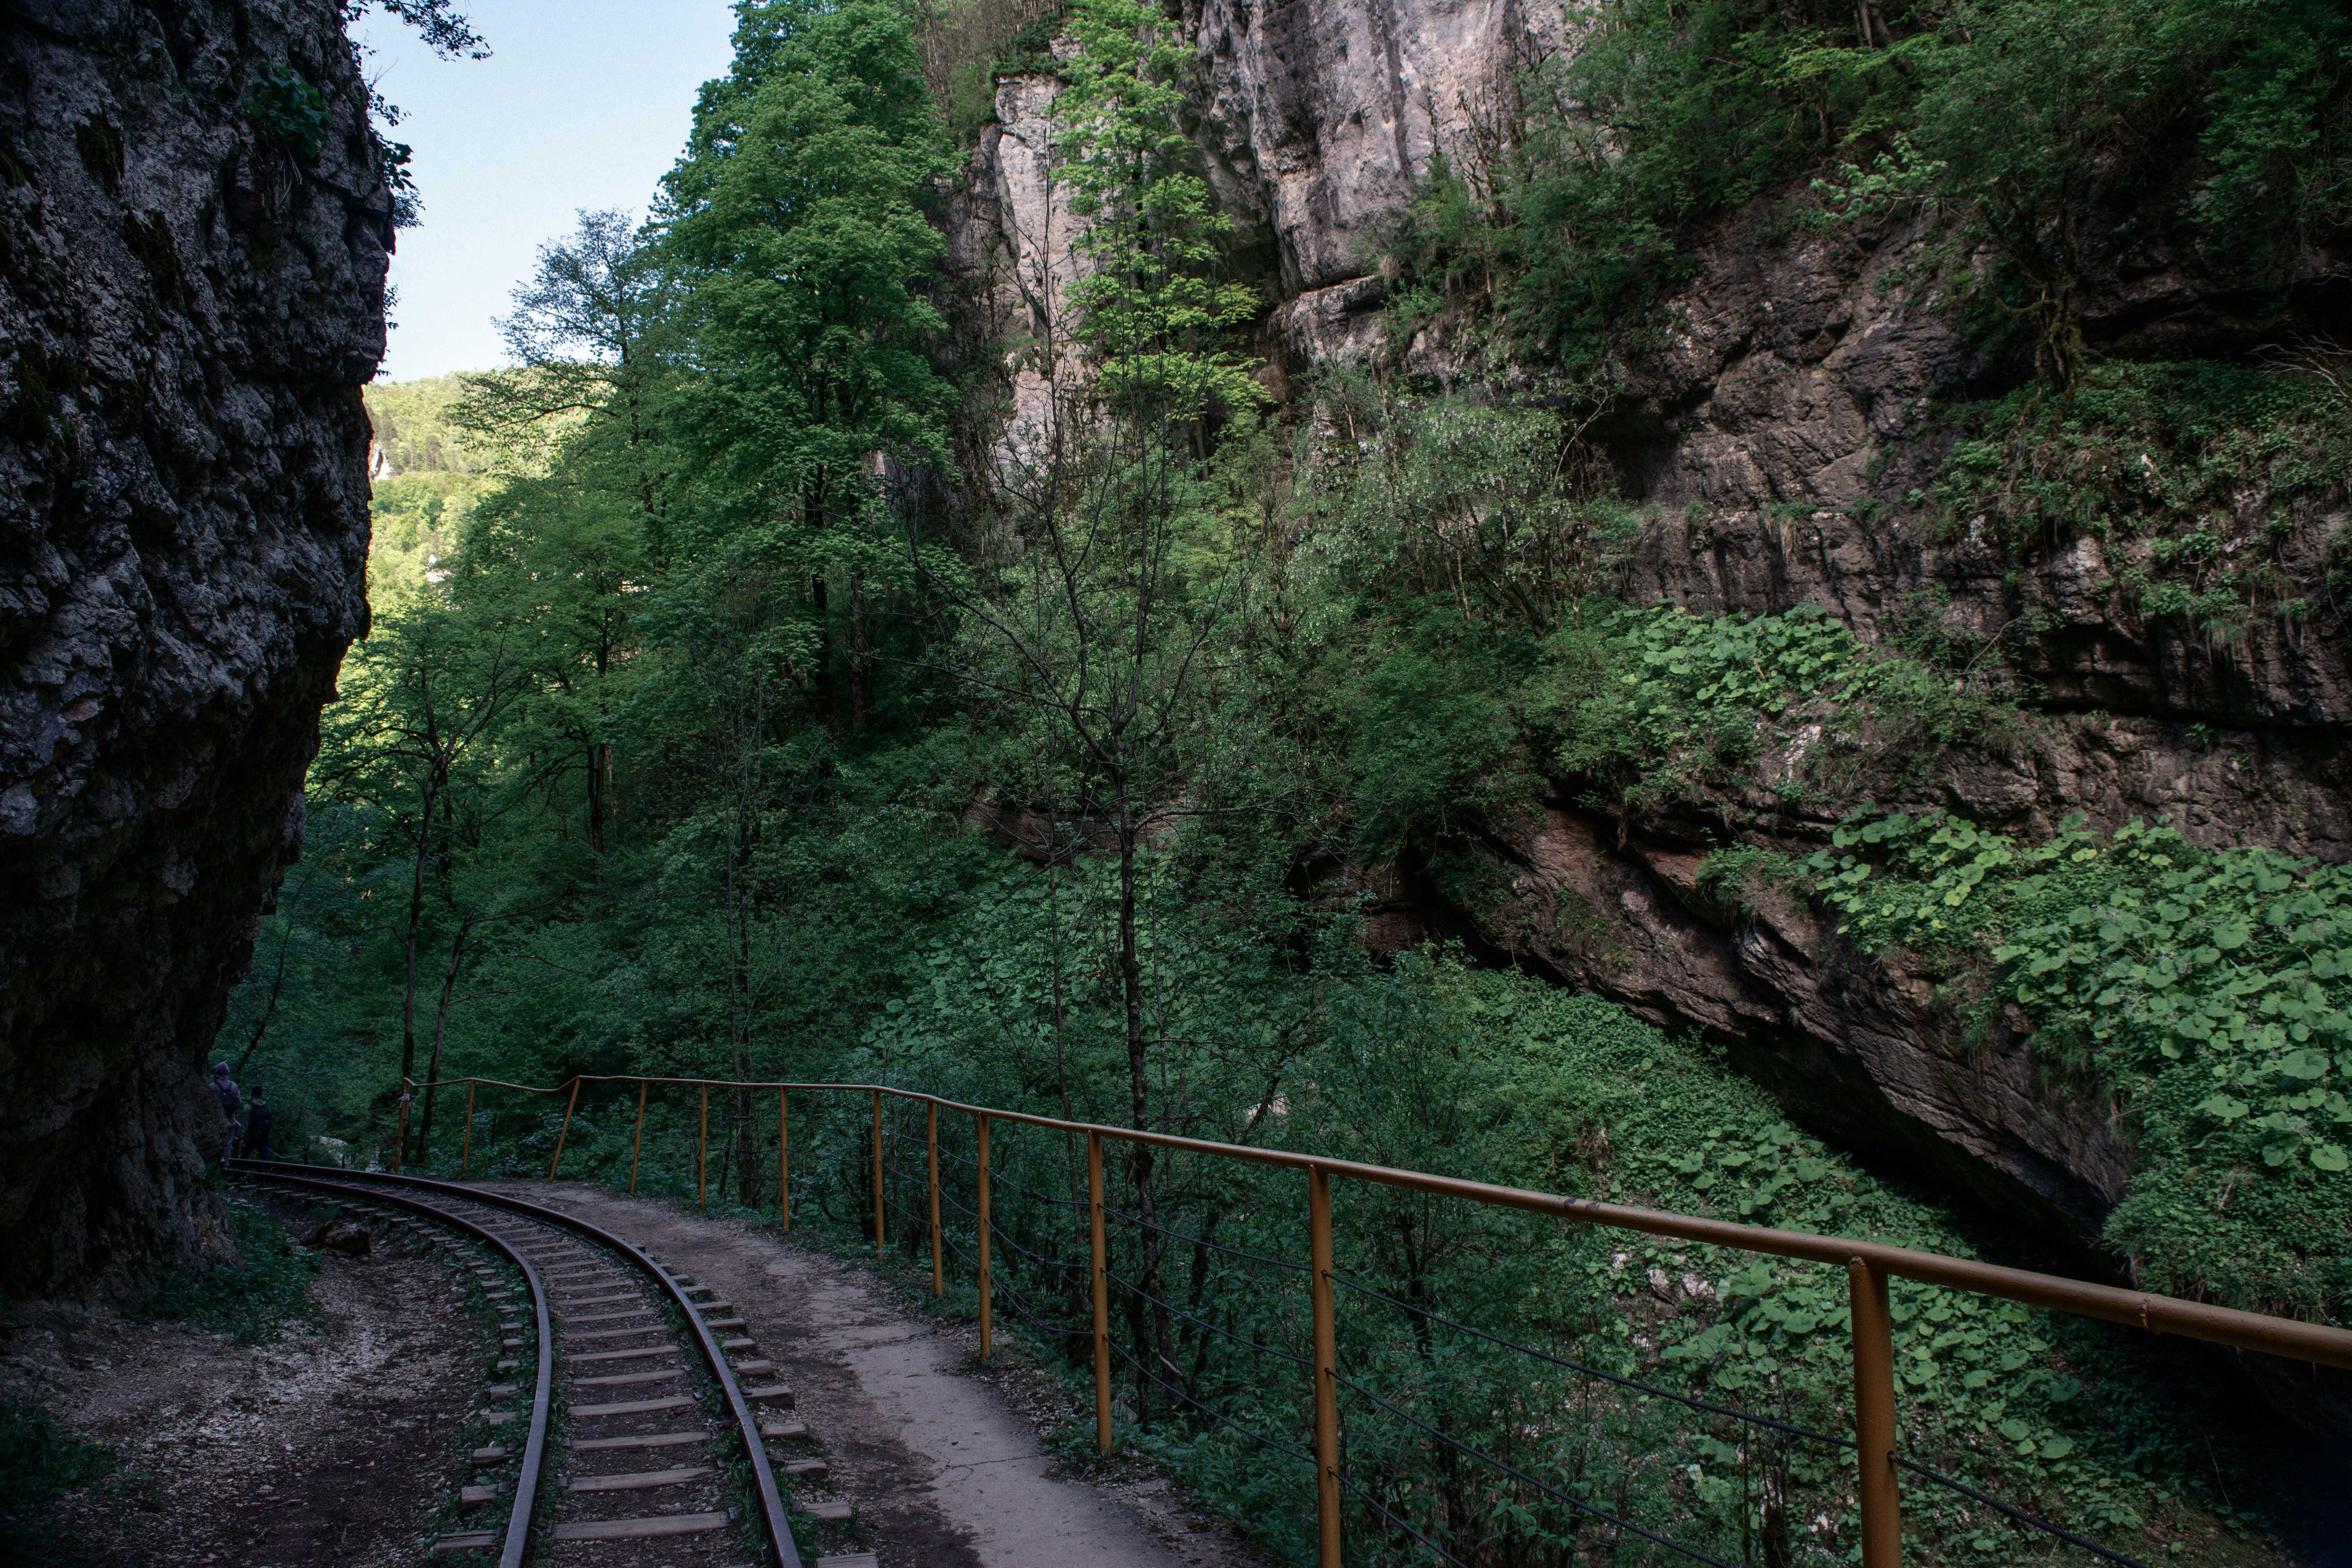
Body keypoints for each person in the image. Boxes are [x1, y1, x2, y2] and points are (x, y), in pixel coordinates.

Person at [211, 1062, 241, 1161]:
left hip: (216, 1119)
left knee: (216, 1140)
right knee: (228, 1142)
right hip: (231, 1118)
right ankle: (226, 1164)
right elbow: (239, 1103)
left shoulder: (213, 1086)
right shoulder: (234, 1086)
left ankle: (216, 1163)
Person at [245, 1085, 273, 1161]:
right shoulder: (267, 1107)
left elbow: (246, 1125)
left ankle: (242, 1173)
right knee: (266, 1161)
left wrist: (242, 1138)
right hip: (264, 1137)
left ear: (252, 1094)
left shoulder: (248, 1107)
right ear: (262, 1094)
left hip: (251, 1138)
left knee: (244, 1159)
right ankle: (267, 1172)